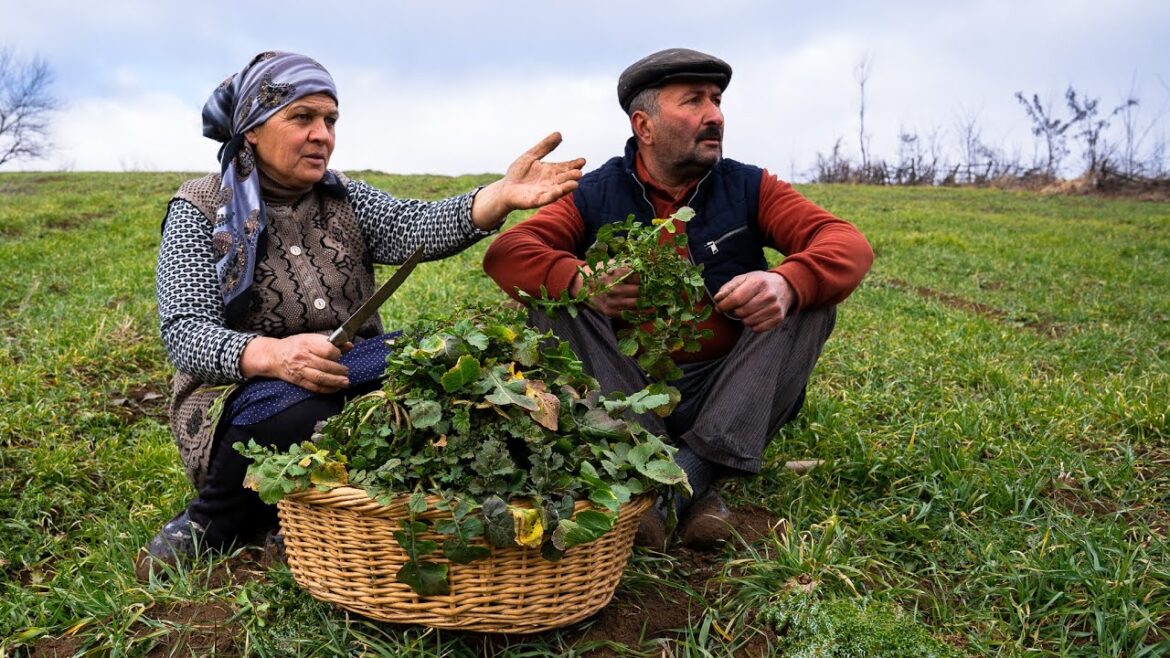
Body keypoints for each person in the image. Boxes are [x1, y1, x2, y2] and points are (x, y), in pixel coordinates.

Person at [145, 51, 584, 569]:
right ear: (253, 131)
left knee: (438, 361)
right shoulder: (198, 207)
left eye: (330, 120)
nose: (322, 135)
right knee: (301, 409)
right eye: (302, 118)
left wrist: (500, 196)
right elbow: (183, 331)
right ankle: (214, 519)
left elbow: (413, 225)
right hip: (246, 392)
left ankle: (313, 512)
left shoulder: (343, 197)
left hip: (348, 368)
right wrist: (274, 355)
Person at [482, 48, 873, 550]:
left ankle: (673, 482)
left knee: (811, 298)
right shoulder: (596, 193)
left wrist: (786, 283)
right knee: (550, 298)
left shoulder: (748, 186)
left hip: (731, 389)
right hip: (630, 394)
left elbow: (846, 244)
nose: (714, 115)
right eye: (693, 102)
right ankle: (692, 477)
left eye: (716, 100)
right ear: (644, 126)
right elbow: (509, 253)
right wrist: (582, 280)